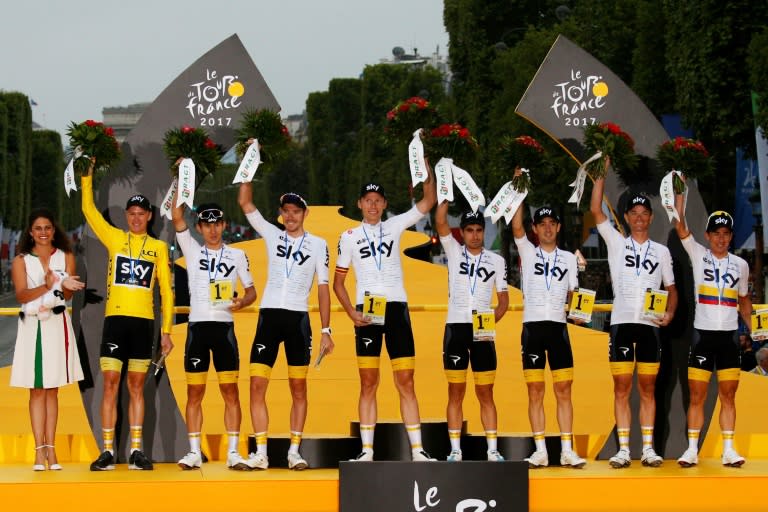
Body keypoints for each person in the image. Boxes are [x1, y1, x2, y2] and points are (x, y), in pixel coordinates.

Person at [333, 167, 437, 462]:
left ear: (385, 204)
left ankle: (418, 451)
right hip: (367, 311)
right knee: (368, 382)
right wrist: (351, 312)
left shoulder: (395, 225)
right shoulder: (349, 236)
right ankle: (367, 450)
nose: (374, 205)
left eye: (379, 200)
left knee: (406, 381)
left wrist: (423, 162)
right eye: (368, 200)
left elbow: (428, 200)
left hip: (396, 309)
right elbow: (338, 282)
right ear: (359, 204)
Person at [82, 159, 174, 471]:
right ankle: (107, 450)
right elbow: (89, 212)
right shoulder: (115, 238)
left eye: (141, 214)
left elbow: (168, 292)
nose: (136, 218)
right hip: (116, 322)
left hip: (144, 323)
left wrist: (167, 331)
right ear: (127, 217)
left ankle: (136, 450)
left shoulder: (159, 248)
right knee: (110, 383)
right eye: (131, 214)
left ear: (149, 216)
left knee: (136, 386)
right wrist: (87, 175)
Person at [238, 183, 334, 470]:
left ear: (305, 213)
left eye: (296, 211)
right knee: (257, 385)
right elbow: (245, 202)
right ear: (281, 214)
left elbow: (324, 288)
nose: (291, 216)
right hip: (268, 317)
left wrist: (326, 330)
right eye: (286, 212)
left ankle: (294, 451)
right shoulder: (272, 234)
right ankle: (261, 453)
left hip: (298, 320)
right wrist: (250, 160)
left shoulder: (318, 245)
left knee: (298, 388)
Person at [589, 174, 677, 468]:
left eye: (644, 214)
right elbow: (597, 211)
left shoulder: (662, 251)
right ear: (626, 217)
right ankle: (624, 448)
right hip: (622, 325)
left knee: (648, 388)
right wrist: (599, 174)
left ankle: (649, 448)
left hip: (650, 326)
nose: (639, 218)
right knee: (622, 387)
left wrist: (671, 312)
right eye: (634, 214)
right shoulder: (616, 242)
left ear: (651, 218)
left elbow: (672, 289)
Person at [172, 198, 257, 470]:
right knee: (194, 392)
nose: (212, 230)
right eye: (207, 225)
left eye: (216, 225)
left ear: (223, 225)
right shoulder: (193, 250)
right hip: (197, 328)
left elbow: (251, 292)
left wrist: (242, 302)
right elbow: (176, 216)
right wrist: (181, 180)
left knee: (230, 391)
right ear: (199, 227)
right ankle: (194, 452)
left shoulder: (237, 256)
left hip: (224, 329)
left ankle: (233, 452)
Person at [672, 198, 751, 467]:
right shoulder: (697, 253)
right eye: (715, 233)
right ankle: (692, 449)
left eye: (725, 233)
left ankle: (729, 449)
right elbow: (680, 226)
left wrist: (756, 328)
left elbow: (744, 300)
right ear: (707, 235)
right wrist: (680, 195)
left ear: (730, 236)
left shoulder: (741, 265)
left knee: (728, 395)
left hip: (728, 337)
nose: (720, 238)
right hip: (702, 336)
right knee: (697, 396)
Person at [511, 202, 587, 468]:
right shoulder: (528, 251)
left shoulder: (568, 258)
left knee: (564, 390)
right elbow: (516, 226)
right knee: (535, 391)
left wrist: (578, 312)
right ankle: (540, 450)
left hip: (558, 329)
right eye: (541, 224)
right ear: (535, 229)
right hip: (532, 328)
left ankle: (567, 450)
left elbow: (573, 294)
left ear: (558, 227)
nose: (547, 228)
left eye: (551, 224)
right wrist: (520, 193)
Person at [10, 208, 85, 471]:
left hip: (56, 324)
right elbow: (21, 295)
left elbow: (67, 296)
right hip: (31, 325)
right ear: (30, 232)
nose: (43, 232)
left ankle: (52, 451)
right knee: (36, 389)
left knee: (52, 389)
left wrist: (65, 286)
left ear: (54, 230)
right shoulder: (21, 260)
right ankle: (38, 451)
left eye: (47, 227)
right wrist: (48, 284)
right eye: (38, 228)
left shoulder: (65, 257)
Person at [435, 202, 509, 462]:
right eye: (470, 230)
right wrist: (444, 193)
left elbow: (504, 302)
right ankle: (455, 449)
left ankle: (492, 450)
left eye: (479, 230)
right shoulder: (454, 252)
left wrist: (490, 322)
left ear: (483, 232)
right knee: (455, 391)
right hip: (456, 328)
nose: (475, 235)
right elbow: (441, 222)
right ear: (462, 233)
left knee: (486, 392)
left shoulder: (497, 261)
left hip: (482, 331)